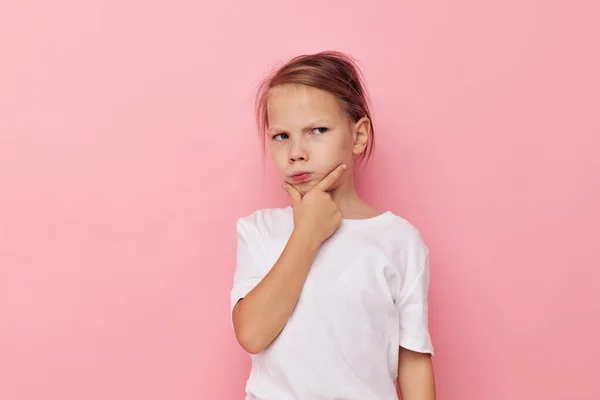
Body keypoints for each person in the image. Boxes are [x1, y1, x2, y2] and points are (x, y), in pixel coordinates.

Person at [230, 50, 435, 400]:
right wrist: (307, 233)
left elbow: (413, 360)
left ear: (358, 136)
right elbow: (252, 333)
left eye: (317, 131)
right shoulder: (259, 231)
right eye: (281, 136)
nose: (296, 152)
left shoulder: (398, 240)